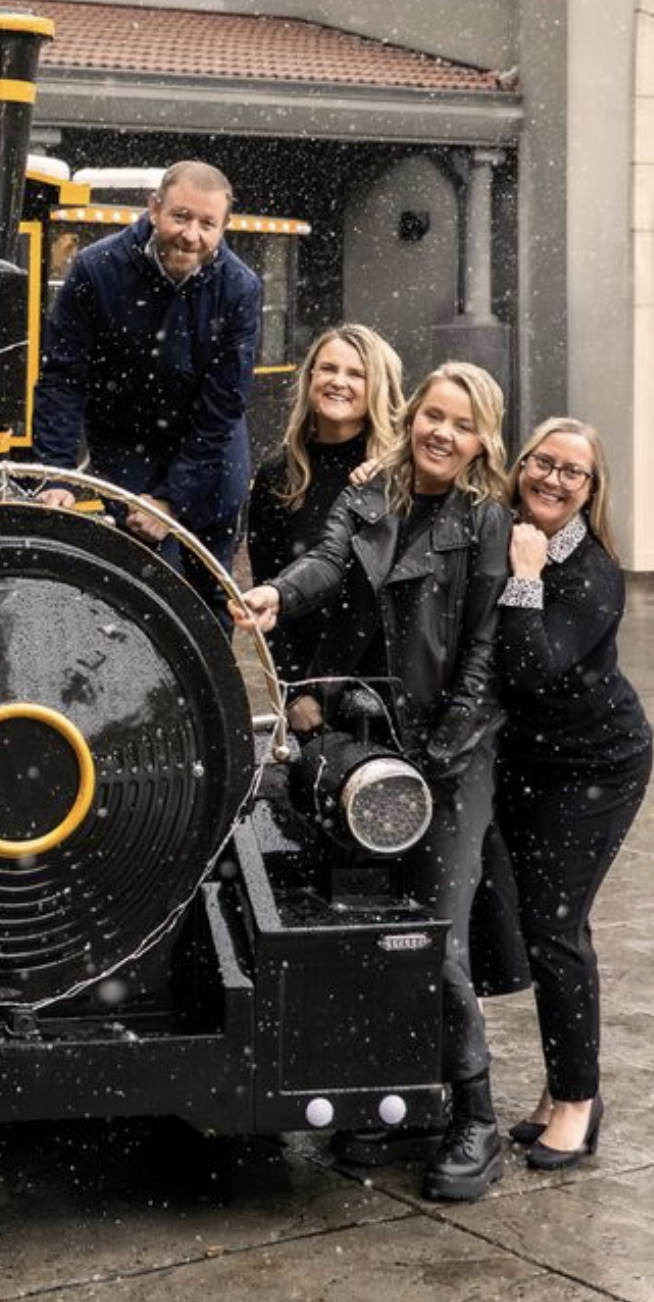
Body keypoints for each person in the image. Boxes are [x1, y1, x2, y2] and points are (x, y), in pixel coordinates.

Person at [233, 361, 512, 1202]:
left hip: (447, 761)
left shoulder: (485, 518)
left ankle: (476, 1116)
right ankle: (396, 1101)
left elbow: (482, 654)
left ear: (480, 440)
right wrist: (277, 592)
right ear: (411, 417)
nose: (442, 433)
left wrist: (433, 763)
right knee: (365, 924)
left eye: (461, 425)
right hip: (369, 752)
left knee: (436, 938)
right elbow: (322, 565)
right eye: (433, 415)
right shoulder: (368, 495)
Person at [492, 418, 650, 1170]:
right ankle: (560, 1090)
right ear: (520, 465)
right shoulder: (502, 524)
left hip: (597, 764)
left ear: (592, 492)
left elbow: (529, 670)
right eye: (543, 463)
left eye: (572, 473)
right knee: (536, 926)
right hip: (529, 760)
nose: (553, 480)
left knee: (557, 929)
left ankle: (580, 1105)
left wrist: (525, 574)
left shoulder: (593, 575)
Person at [34, 159, 263, 624]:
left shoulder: (240, 288)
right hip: (124, 434)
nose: (191, 235)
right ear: (154, 208)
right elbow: (63, 379)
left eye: (207, 224)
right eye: (181, 217)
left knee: (210, 585)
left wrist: (173, 500)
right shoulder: (96, 270)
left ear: (224, 227)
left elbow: (222, 408)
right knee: (152, 578)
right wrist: (56, 475)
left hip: (208, 441)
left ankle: (211, 688)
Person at [244, 323, 404, 729]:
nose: (339, 382)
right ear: (310, 377)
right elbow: (268, 598)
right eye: (328, 368)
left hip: (389, 685)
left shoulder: (400, 475)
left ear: (378, 387)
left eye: (356, 373)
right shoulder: (277, 478)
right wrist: (293, 692)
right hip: (314, 692)